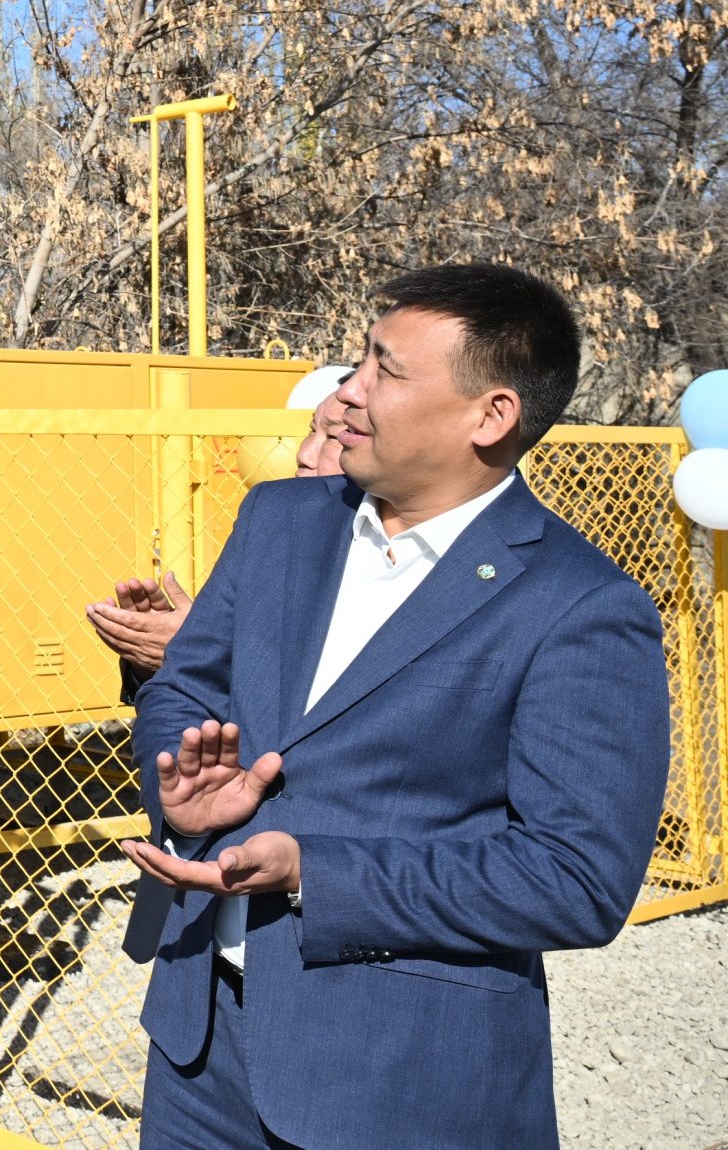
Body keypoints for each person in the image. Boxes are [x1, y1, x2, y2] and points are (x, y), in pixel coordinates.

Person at [119, 264, 670, 1149]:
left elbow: (575, 878)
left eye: (387, 369)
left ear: (490, 415)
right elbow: (185, 682)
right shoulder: (280, 519)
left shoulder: (580, 605)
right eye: (359, 360)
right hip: (198, 1050)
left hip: (397, 1081)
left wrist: (314, 872)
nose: (349, 391)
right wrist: (177, 782)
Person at [87, 390, 349, 688]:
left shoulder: (380, 555)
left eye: (333, 437)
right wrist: (154, 657)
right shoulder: (267, 534)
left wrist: (195, 650)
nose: (303, 454)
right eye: (311, 430)